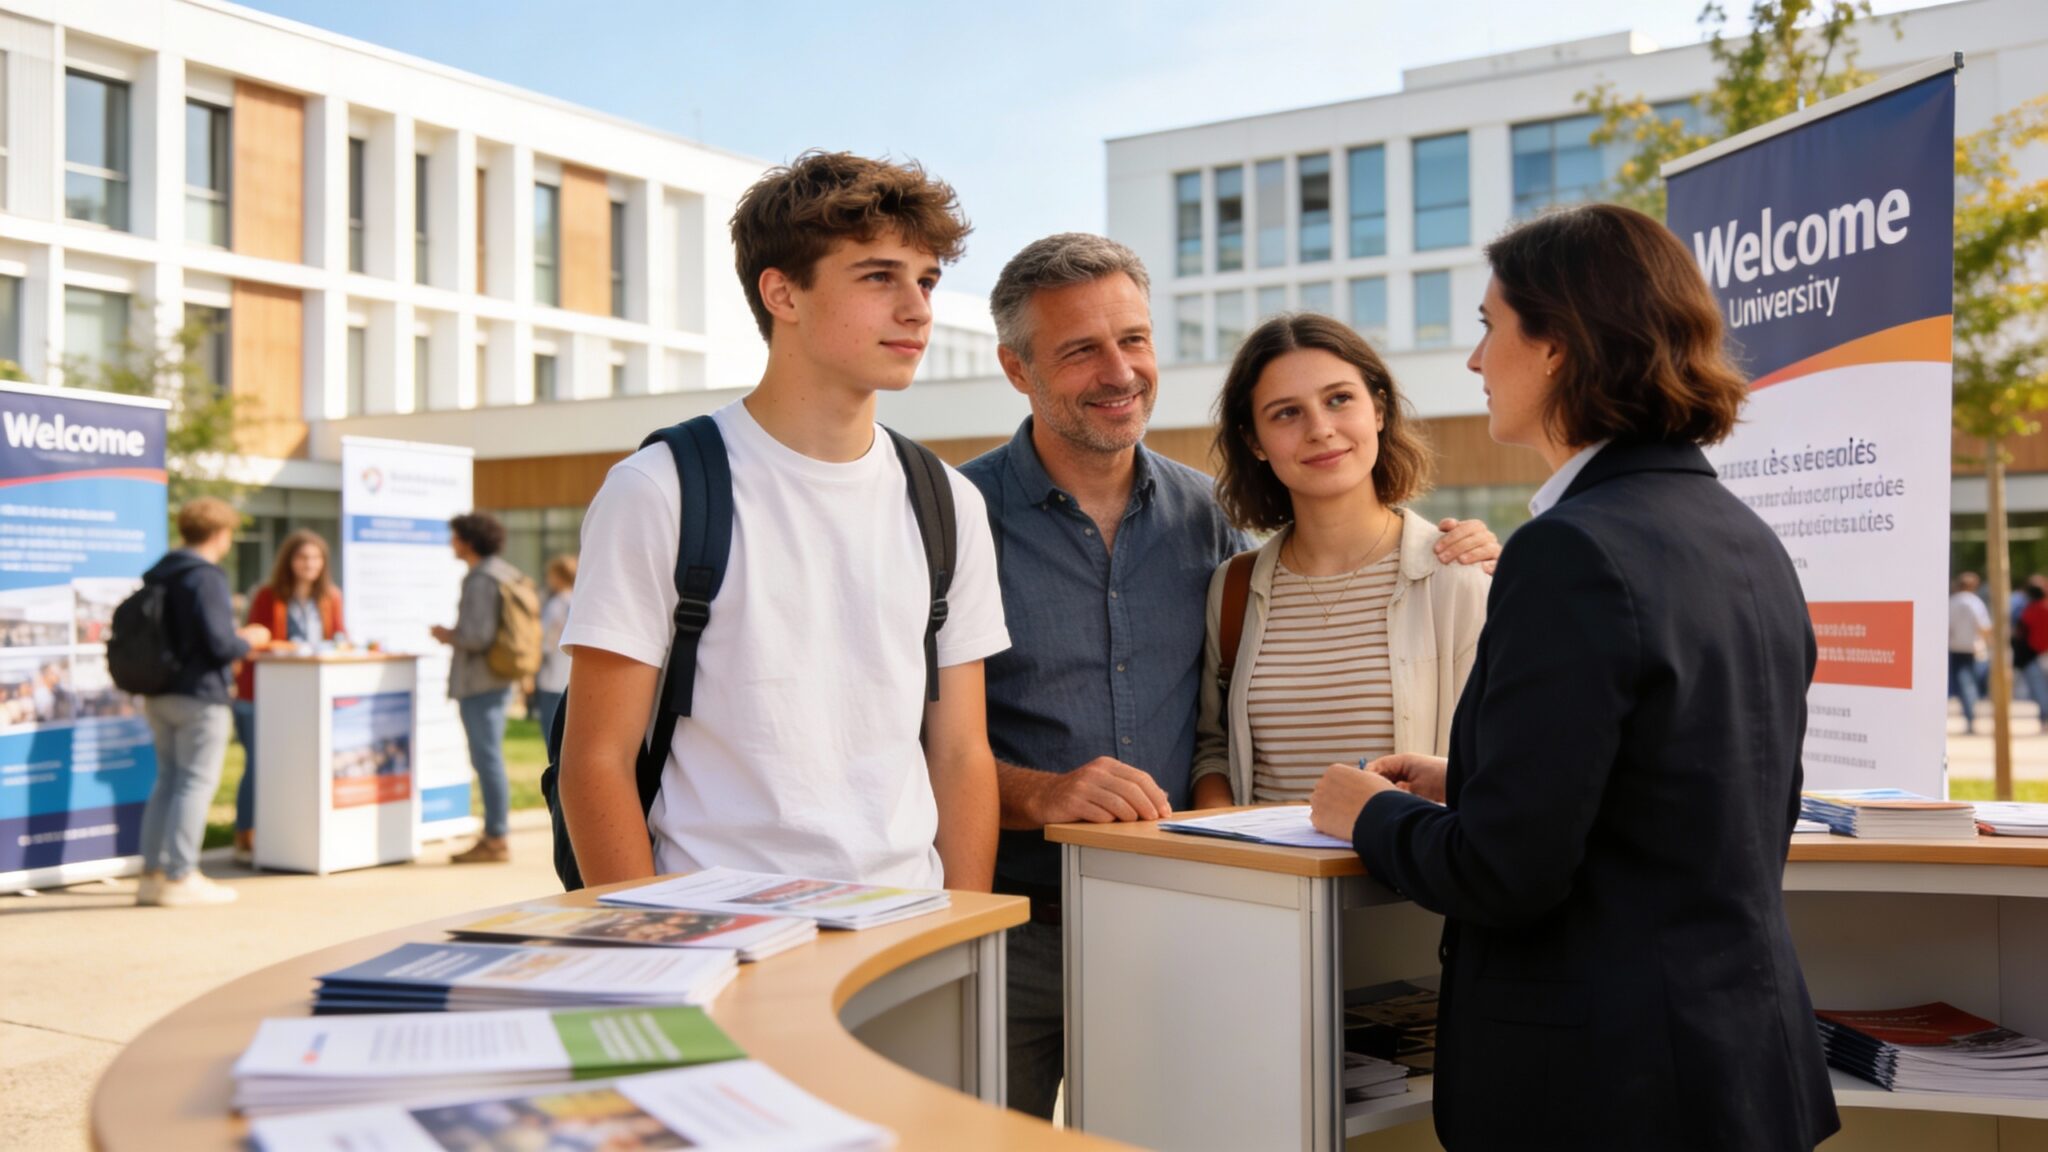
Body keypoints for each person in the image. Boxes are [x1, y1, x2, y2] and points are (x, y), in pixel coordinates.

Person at [1309, 203, 1839, 1150]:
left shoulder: (1571, 552)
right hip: (1741, 1067)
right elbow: (1687, 796)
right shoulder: (1746, 539)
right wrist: (1466, 780)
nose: (1474, 361)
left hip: (1608, 1091)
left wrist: (1368, 814)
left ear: (1556, 345)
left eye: (1488, 326)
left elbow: (1506, 874)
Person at [959, 232, 1500, 1120]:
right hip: (1023, 933)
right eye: (1080, 349)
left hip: (1199, 928)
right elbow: (905, 732)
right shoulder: (952, 515)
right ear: (1017, 370)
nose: (1118, 370)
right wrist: (1040, 794)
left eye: (1133, 339)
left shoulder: (1206, 523)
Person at [558, 151, 1008, 892]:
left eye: (925, 280)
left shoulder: (947, 502)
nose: (918, 308)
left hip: (910, 932)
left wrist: (965, 932)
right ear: (782, 294)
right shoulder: (660, 488)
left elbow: (960, 753)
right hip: (719, 934)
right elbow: (596, 761)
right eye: (878, 276)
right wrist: (655, 948)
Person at [1191, 313, 1489, 807]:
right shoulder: (1234, 587)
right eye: (1286, 412)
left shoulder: (1455, 576)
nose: (1320, 429)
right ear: (1253, 441)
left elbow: (1494, 761)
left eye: (1339, 399)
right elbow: (1214, 750)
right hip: (1259, 880)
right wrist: (1223, 847)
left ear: (1378, 409)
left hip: (1403, 880)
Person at [135, 498, 272, 907]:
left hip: (160, 692)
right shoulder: (205, 576)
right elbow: (219, 644)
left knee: (168, 781)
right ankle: (181, 876)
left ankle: (151, 875)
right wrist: (251, 638)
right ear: (221, 533)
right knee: (195, 782)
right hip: (199, 695)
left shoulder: (161, 573)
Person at [230, 530, 345, 863]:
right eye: (302, 558)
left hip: (306, 697)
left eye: (315, 558)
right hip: (261, 695)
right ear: (289, 561)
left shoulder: (330, 597)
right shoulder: (268, 595)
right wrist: (292, 648)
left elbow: (339, 636)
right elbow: (254, 640)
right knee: (258, 765)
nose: (309, 564)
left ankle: (289, 833)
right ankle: (245, 833)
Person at [430, 511, 528, 864]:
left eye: (455, 537)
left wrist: (445, 635)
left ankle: (496, 837)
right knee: (489, 759)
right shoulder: (502, 573)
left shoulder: (482, 579)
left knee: (487, 760)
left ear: (468, 540)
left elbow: (476, 636)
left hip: (481, 682)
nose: (451, 543)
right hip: (496, 679)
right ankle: (495, 834)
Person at [533, 553, 576, 740]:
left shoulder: (556, 605)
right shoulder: (579, 601)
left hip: (552, 679)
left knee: (553, 736)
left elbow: (544, 642)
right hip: (573, 678)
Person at [1949, 571, 1991, 734]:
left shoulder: (1952, 602)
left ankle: (1970, 713)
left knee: (1963, 683)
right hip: (1973, 648)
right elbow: (1983, 626)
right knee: (1971, 683)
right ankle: (1971, 713)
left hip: (1955, 647)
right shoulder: (1975, 602)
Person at [2020, 579, 2048, 731]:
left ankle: (2044, 718)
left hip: (2036, 653)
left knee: (2040, 689)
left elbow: (2024, 631)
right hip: (2040, 652)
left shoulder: (2031, 610)